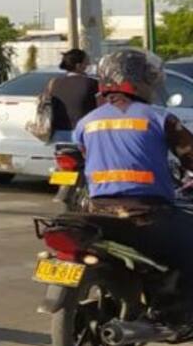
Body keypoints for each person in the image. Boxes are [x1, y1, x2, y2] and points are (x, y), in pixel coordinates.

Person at [75, 49, 193, 309]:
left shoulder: (85, 123)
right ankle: (171, 314)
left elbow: (87, 160)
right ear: (141, 82)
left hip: (98, 212)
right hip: (147, 213)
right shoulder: (159, 118)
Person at [41, 48, 99, 142]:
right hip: (82, 133)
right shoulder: (91, 83)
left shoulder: (54, 82)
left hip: (57, 133)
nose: (89, 65)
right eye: (87, 62)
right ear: (79, 66)